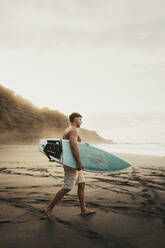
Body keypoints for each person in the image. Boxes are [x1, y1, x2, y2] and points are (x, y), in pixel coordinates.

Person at [44, 112, 96, 220]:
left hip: (73, 162)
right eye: (80, 119)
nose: (82, 121)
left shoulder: (71, 130)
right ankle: (49, 209)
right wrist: (79, 162)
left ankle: (83, 209)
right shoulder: (72, 130)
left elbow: (76, 144)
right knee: (67, 187)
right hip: (72, 163)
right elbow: (73, 147)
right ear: (75, 119)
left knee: (81, 184)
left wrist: (83, 144)